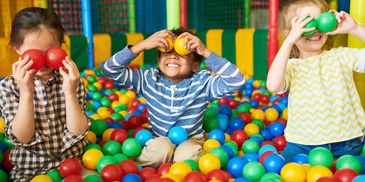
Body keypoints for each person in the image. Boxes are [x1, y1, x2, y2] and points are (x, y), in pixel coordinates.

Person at [101, 29, 245, 167]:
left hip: (190, 140)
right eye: (167, 51)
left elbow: (236, 80)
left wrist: (204, 51)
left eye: (181, 52)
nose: (173, 56)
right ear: (158, 61)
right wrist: (142, 45)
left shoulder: (202, 82)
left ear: (195, 65)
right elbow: (109, 69)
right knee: (159, 152)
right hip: (159, 139)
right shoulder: (148, 80)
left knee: (186, 156)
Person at [267, 0, 365, 162]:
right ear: (290, 32)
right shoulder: (291, 66)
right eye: (306, 24)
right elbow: (273, 85)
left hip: (346, 142)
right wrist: (288, 42)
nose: (315, 29)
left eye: (319, 21)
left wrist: (354, 29)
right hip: (301, 145)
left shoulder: (341, 56)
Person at [0, 7, 89, 180]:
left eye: (50, 52)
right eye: (35, 54)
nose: (43, 61)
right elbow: (23, 138)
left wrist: (70, 92)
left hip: (73, 167)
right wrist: (26, 93)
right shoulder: (8, 86)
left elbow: (78, 131)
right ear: (18, 48)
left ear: (61, 46)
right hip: (32, 172)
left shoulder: (70, 79)